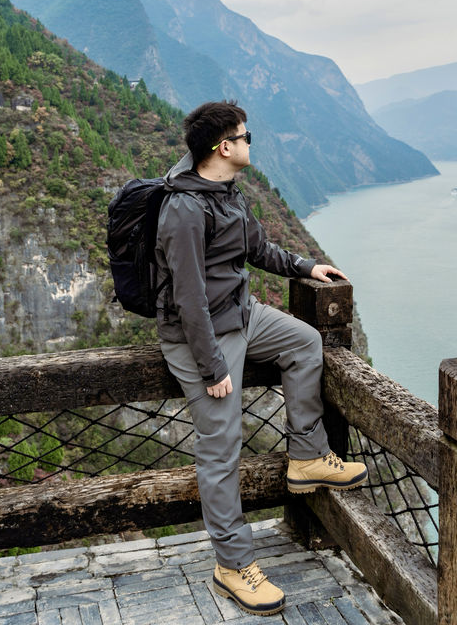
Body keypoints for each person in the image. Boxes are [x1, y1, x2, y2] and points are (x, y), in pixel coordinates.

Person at [155, 100, 367, 616]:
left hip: (241, 315)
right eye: (246, 137)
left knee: (303, 342)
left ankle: (307, 456)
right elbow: (188, 299)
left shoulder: (228, 193)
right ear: (224, 147)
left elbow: (259, 249)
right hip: (199, 335)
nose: (251, 143)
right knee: (221, 444)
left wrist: (306, 266)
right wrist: (212, 367)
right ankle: (232, 565)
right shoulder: (183, 209)